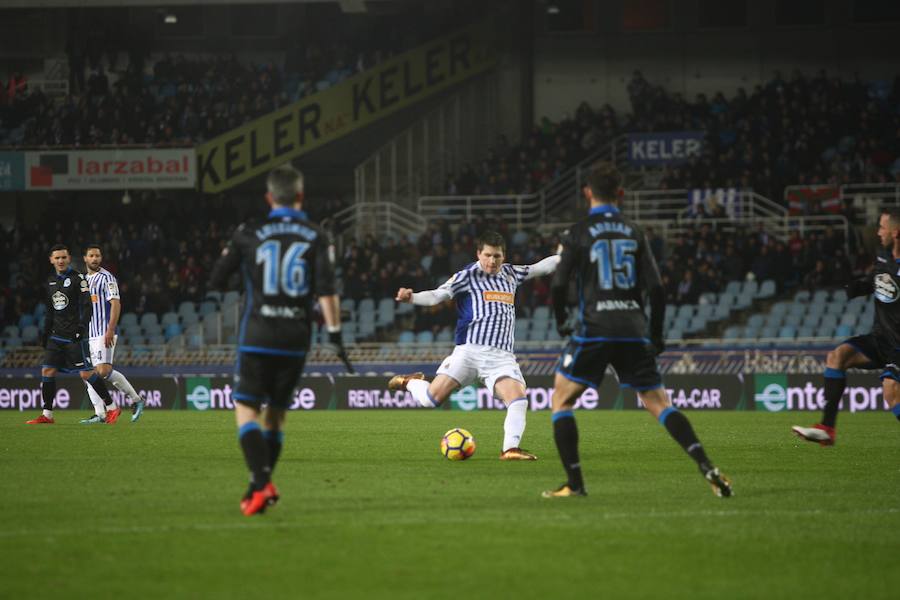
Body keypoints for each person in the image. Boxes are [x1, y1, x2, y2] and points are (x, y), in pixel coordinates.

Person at [543, 162, 732, 498]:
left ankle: (576, 484)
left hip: (595, 329)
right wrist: (656, 335)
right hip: (634, 328)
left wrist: (562, 321)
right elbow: (657, 289)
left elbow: (558, 284)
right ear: (621, 194)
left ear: (587, 193)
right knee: (658, 402)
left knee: (561, 399)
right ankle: (706, 465)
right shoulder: (636, 231)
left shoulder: (577, 232)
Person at [208, 164, 344, 516]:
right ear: (300, 196)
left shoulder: (249, 232)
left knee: (246, 412)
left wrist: (246, 276)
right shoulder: (317, 235)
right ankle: (257, 489)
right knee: (277, 418)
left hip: (257, 335)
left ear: (269, 197)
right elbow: (327, 293)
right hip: (296, 339)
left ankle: (261, 480)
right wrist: (335, 335)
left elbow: (216, 281)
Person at [388, 231, 560, 460]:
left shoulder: (511, 273)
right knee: (431, 400)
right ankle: (409, 383)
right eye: (487, 255)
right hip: (469, 352)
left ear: (504, 255)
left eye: (497, 256)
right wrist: (412, 298)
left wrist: (565, 255)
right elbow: (438, 295)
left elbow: (542, 267)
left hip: (501, 356)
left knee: (518, 398)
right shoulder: (467, 276)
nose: (492, 261)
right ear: (478, 253)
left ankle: (510, 449)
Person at [792, 208, 900, 445]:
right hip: (880, 338)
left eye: (882, 227)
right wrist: (850, 287)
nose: (878, 231)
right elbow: (877, 280)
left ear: (896, 231)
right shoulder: (883, 256)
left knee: (891, 393)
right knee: (837, 356)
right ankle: (826, 429)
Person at [27, 244, 118, 425]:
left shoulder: (78, 278)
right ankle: (47, 415)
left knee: (86, 374)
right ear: (51, 260)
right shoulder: (51, 281)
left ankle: (112, 407)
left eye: (63, 258)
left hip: (74, 335)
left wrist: (81, 328)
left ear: (68, 259)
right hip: (56, 335)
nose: (60, 261)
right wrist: (45, 334)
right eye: (57, 258)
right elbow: (50, 310)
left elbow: (87, 305)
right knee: (47, 370)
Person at [79, 244, 145, 424]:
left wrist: (110, 329)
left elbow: (116, 303)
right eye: (91, 255)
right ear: (85, 258)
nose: (95, 259)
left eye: (97, 256)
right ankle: (100, 414)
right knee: (88, 373)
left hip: (103, 331)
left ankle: (137, 401)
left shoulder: (107, 278)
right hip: (89, 334)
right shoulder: (83, 280)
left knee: (103, 371)